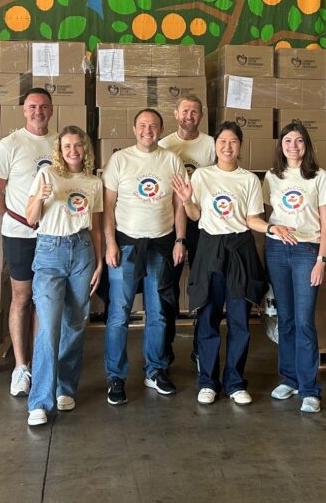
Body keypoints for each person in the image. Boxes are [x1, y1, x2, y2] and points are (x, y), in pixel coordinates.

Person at [171, 121, 296, 406]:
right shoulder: (202, 175)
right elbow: (193, 215)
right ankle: (208, 382)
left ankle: (236, 382)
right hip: (210, 247)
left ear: (240, 146)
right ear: (215, 146)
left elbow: (252, 219)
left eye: (233, 142)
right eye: (222, 142)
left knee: (239, 320)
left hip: (240, 248)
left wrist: (271, 228)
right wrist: (188, 200)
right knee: (209, 316)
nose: (227, 147)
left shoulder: (249, 179)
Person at [102, 108, 186, 405]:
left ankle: (156, 370)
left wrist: (179, 240)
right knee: (118, 313)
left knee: (158, 313)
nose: (147, 130)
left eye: (153, 125)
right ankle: (116, 376)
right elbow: (108, 206)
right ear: (134, 128)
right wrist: (110, 244)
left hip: (161, 247)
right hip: (125, 246)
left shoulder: (171, 160)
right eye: (142, 125)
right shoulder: (120, 160)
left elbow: (179, 205)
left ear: (161, 130)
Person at [23, 126, 103, 427]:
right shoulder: (46, 176)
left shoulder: (94, 182)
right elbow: (31, 217)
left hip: (82, 250)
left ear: (86, 149)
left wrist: (98, 263)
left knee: (75, 323)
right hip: (50, 251)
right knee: (49, 327)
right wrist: (40, 198)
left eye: (78, 145)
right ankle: (40, 401)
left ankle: (65, 389)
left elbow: (95, 226)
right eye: (67, 145)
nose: (73, 150)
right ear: (60, 149)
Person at [0, 87, 57, 399]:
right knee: (22, 297)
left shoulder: (59, 143)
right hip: (20, 235)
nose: (38, 111)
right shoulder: (9, 145)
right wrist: (16, 218)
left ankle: (41, 362)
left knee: (46, 298)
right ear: (24, 110)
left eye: (43, 106)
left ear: (51, 110)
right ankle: (21, 366)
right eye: (32, 106)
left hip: (53, 234)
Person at [262, 121, 326, 414]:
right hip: (278, 251)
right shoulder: (271, 177)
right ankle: (289, 377)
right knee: (287, 318)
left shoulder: (320, 177)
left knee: (304, 320)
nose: (293, 146)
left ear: (307, 145)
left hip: (307, 251)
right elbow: (267, 217)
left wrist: (321, 258)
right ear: (280, 145)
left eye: (299, 141)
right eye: (288, 140)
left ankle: (309, 388)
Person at [158, 95, 216, 368]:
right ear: (175, 113)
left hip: (203, 222)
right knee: (168, 287)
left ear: (201, 116)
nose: (189, 116)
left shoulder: (211, 145)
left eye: (194, 111)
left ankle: (199, 349)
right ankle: (164, 349)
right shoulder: (164, 144)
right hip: (172, 224)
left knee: (202, 287)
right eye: (185, 111)